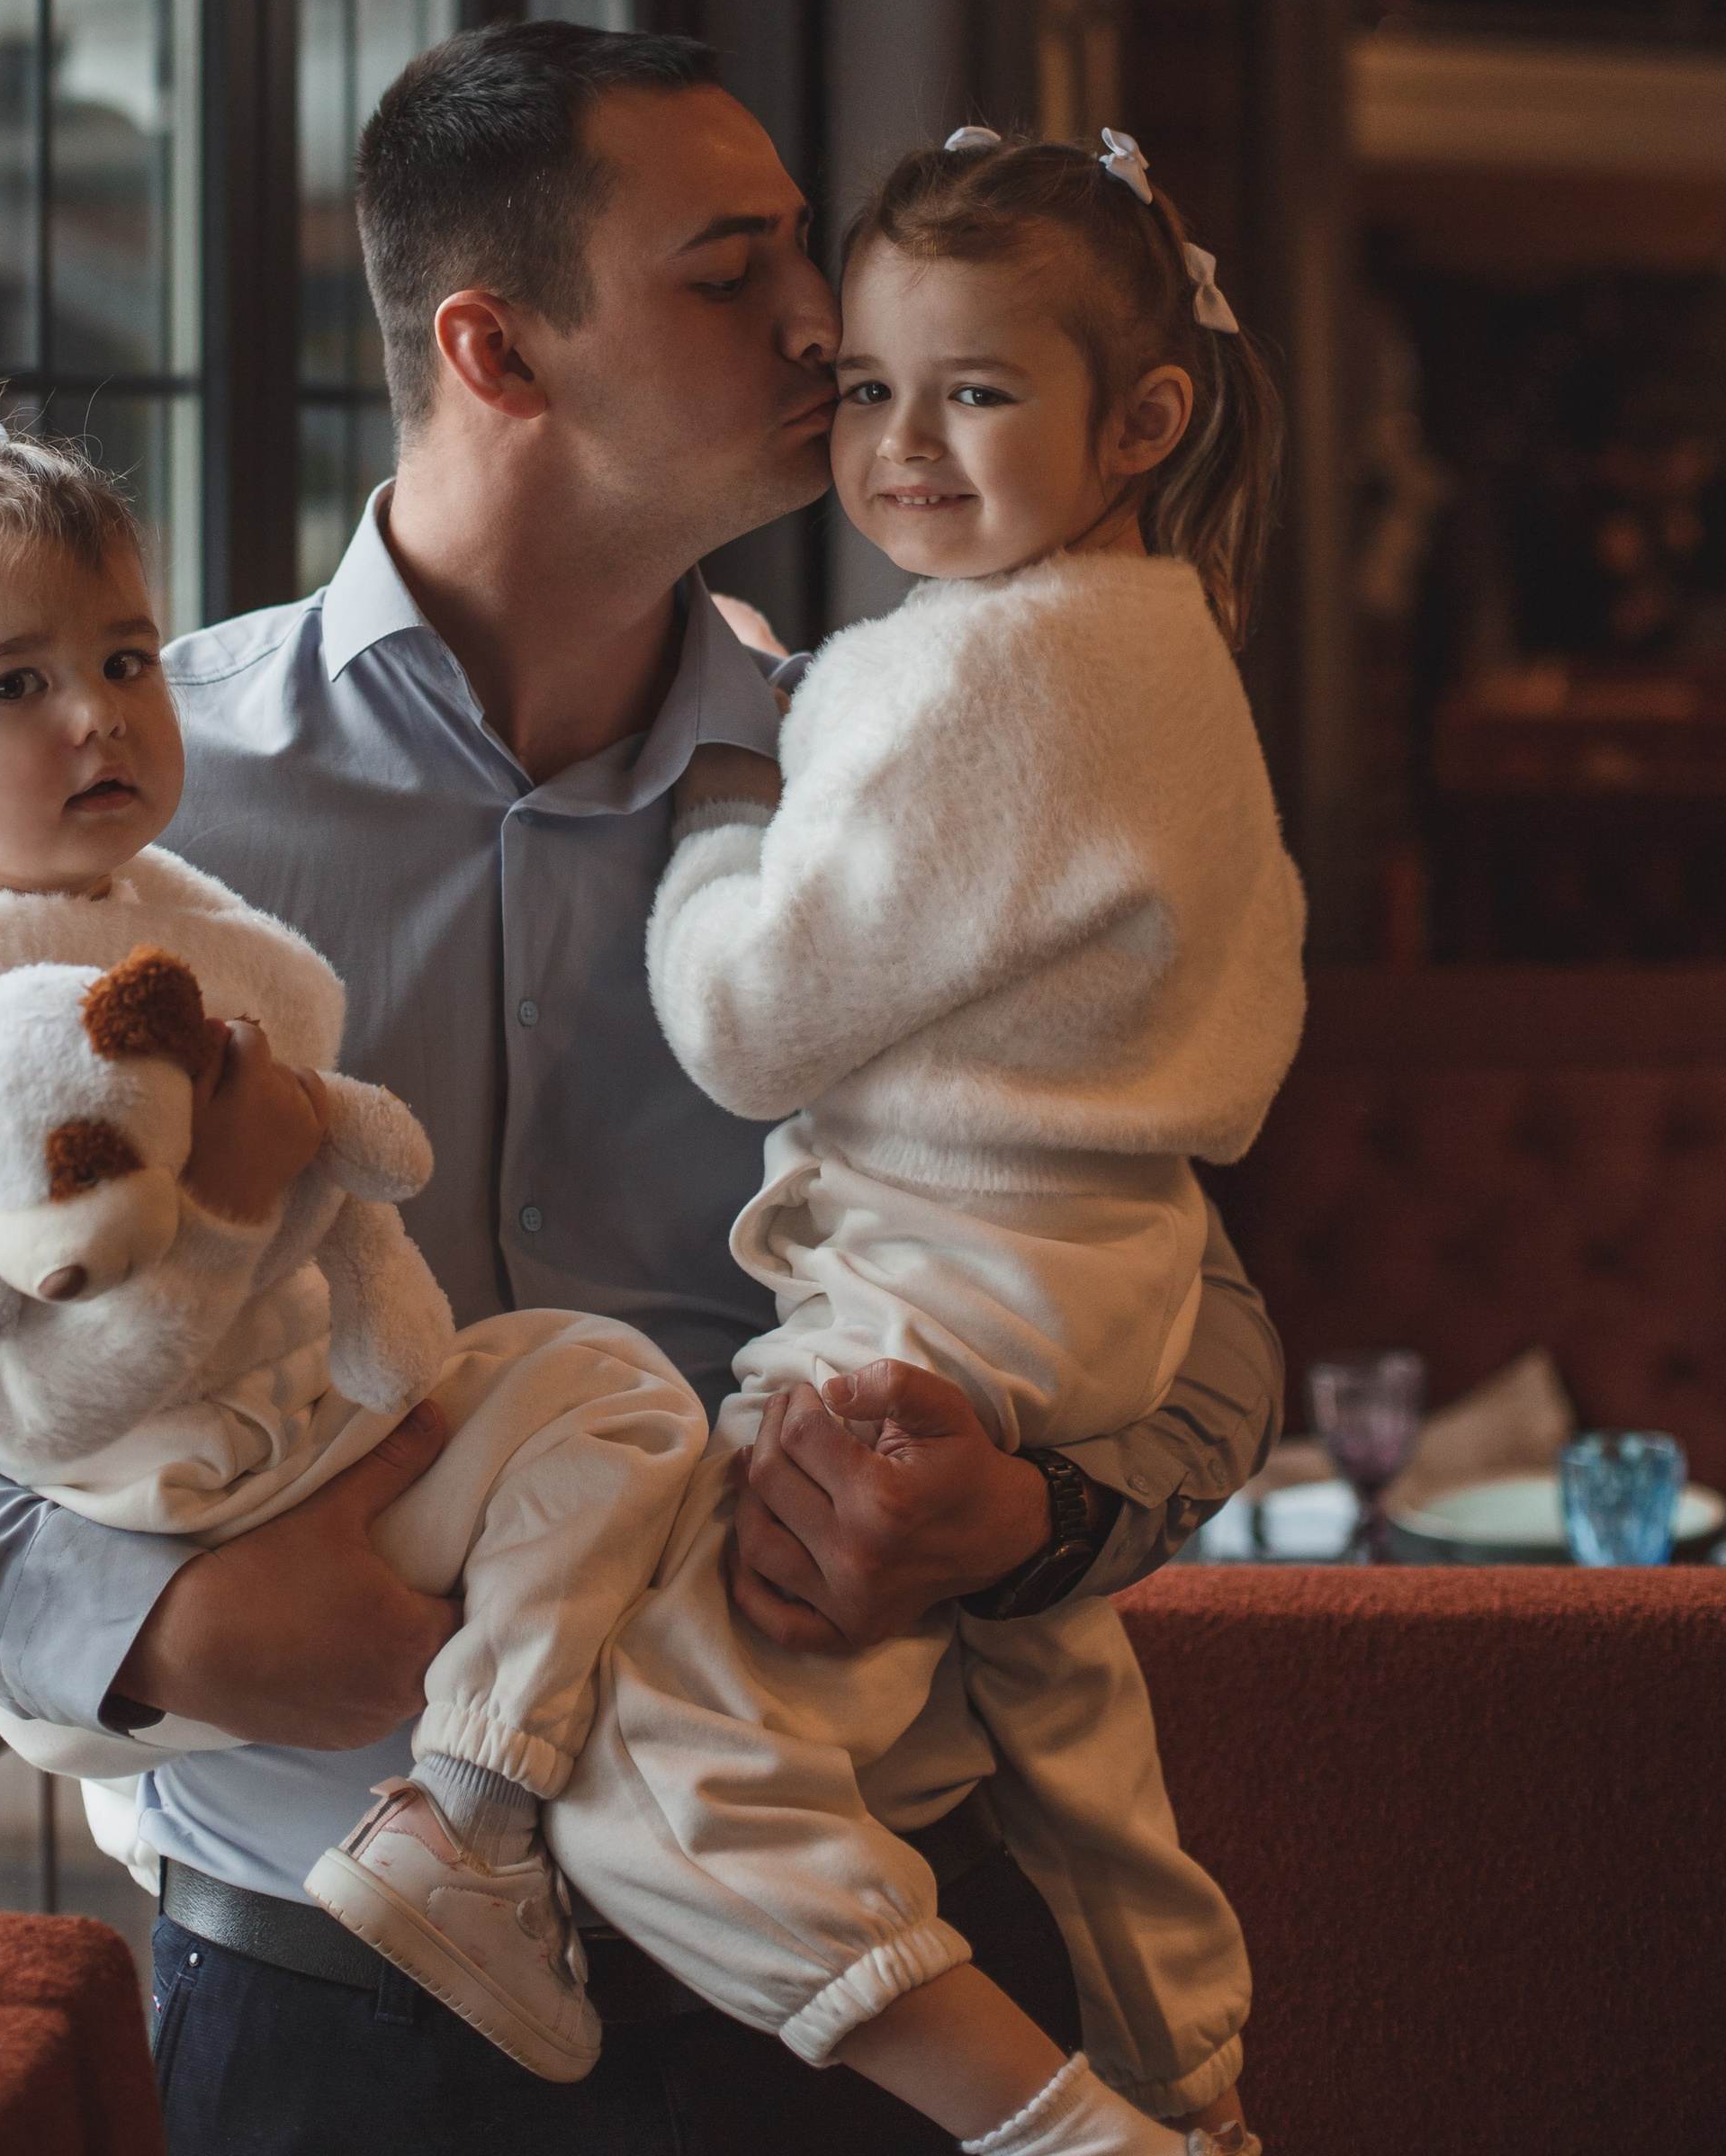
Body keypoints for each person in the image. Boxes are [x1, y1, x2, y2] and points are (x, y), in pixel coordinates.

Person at [0, 25, 1285, 2153]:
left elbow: (1202, 1319)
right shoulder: (101, 790)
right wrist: (143, 1612)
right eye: (729, 268)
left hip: (883, 1973)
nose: (819, 318)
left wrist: (1028, 1518)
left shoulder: (903, 780)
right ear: (495, 347)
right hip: (329, 2000)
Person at [553, 124, 1306, 2141]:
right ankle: (1195, 2087)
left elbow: (737, 1022)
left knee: (649, 1738)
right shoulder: (1163, 636)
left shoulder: (954, 669)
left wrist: (724, 820)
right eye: (867, 385)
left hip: (950, 1273)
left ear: (1136, 416)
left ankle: (1049, 2124)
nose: (894, 441)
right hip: (1097, 1268)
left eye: (968, 391)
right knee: (1052, 1711)